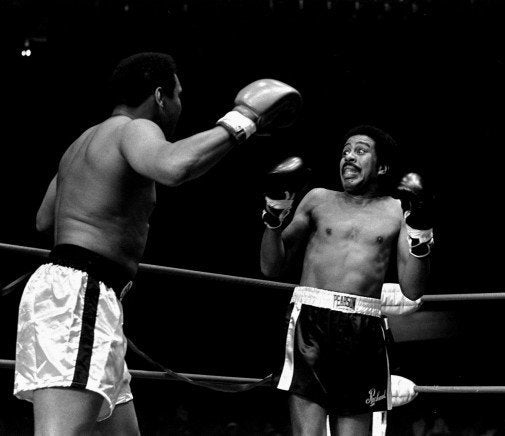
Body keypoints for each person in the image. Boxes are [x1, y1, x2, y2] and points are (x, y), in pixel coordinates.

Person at [14, 51, 300, 435]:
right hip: (81, 294)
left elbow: (43, 219)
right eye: (178, 95)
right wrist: (242, 120)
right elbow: (173, 166)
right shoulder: (134, 129)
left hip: (83, 294)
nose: (181, 104)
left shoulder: (81, 143)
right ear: (160, 95)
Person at [259, 125, 434, 436]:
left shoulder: (397, 211)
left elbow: (413, 288)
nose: (349, 157)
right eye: (345, 151)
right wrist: (274, 214)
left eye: (360, 150)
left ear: (381, 166)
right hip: (310, 322)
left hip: (363, 328)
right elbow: (270, 267)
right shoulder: (317, 200)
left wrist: (421, 234)